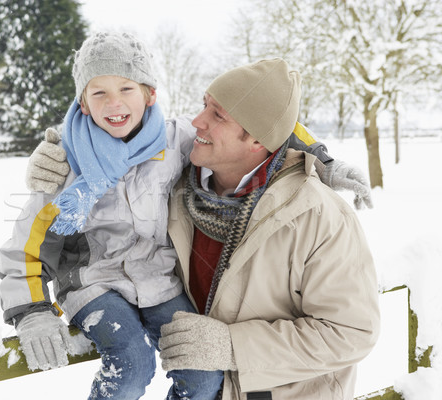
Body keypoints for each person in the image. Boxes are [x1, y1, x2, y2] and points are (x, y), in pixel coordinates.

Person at [0, 31, 223, 400]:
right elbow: (25, 243)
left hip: (160, 280)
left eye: (126, 89)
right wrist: (32, 311)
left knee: (202, 371)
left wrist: (320, 158)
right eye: (98, 92)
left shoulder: (178, 140)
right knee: (132, 364)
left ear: (150, 94)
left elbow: (255, 122)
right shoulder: (66, 161)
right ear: (83, 103)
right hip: (92, 282)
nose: (113, 103)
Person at [156, 59, 380, 399]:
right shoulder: (174, 191)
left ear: (257, 139)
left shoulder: (317, 215)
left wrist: (233, 347)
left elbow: (350, 331)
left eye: (218, 115)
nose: (197, 121)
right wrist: (60, 160)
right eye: (204, 105)